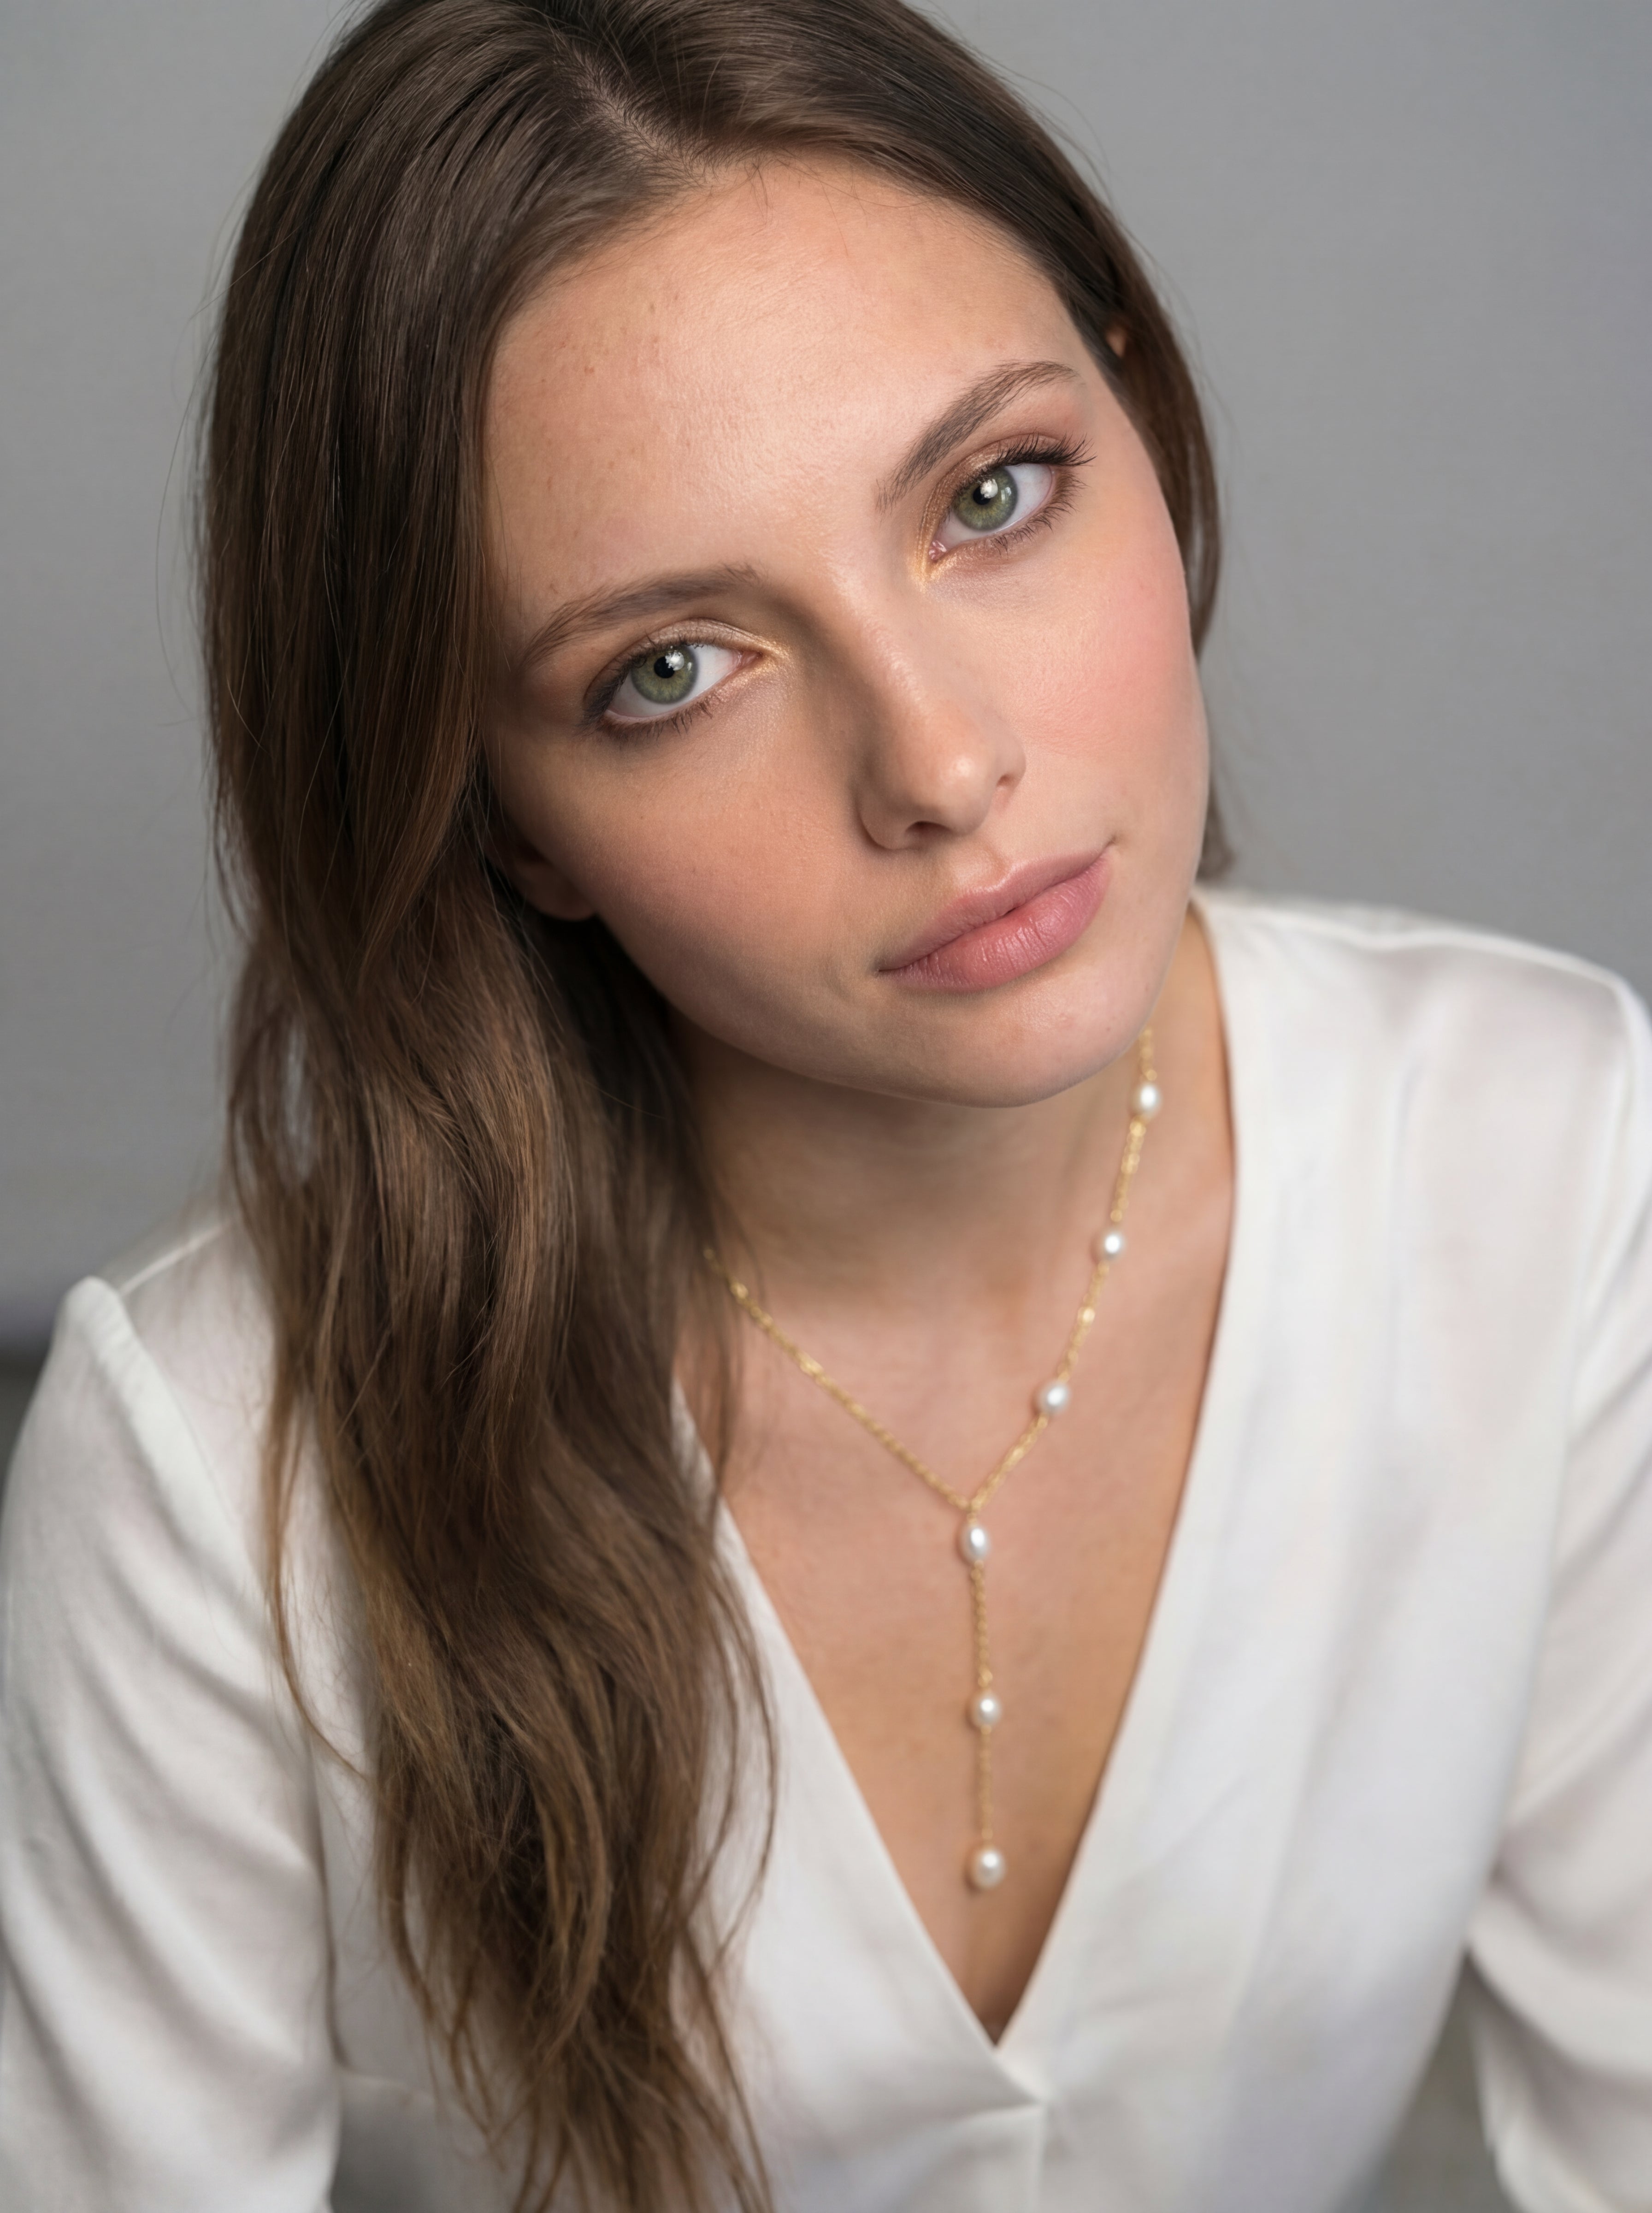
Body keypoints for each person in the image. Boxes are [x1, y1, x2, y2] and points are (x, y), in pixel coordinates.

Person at [2, 0, 1649, 2207]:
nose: (940, 765)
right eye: (668, 670)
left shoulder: (1535, 1148)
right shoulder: (216, 1463)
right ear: (501, 821)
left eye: (991, 496)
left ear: (1142, 413)